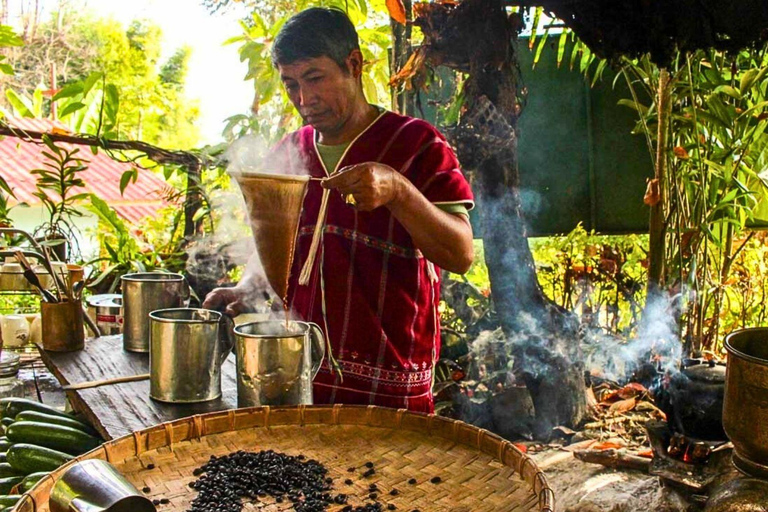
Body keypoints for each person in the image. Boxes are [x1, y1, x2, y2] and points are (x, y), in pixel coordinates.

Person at [204, 7, 474, 413]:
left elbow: (461, 254)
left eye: (315, 78)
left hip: (390, 392)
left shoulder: (418, 145)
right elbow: (273, 243)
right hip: (299, 382)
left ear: (353, 64)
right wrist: (248, 286)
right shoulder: (289, 152)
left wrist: (399, 191)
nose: (304, 99)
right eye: (291, 84)